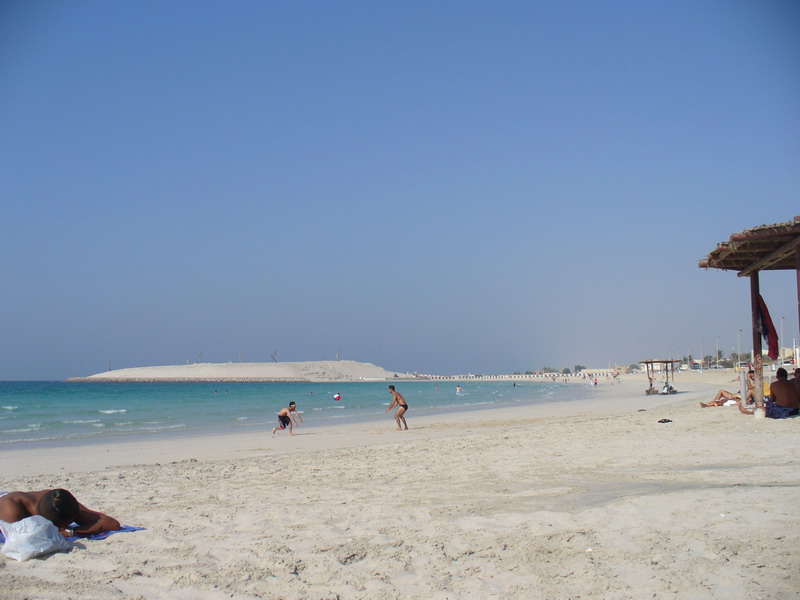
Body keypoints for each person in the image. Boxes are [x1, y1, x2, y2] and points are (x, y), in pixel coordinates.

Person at [0, 489, 120, 537]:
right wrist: (62, 532)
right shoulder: (12, 508)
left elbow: (112, 523)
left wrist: (71, 531)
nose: (62, 528)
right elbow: (20, 538)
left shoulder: (62, 502)